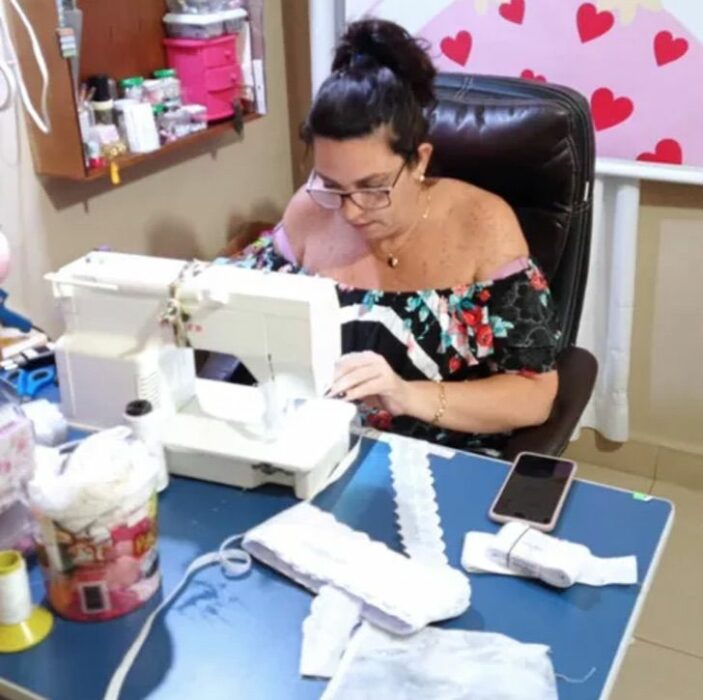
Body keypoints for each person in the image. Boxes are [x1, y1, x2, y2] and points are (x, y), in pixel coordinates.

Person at [233, 18, 561, 457]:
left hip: (442, 459)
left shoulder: (483, 226)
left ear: (419, 161)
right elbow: (250, 311)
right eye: (331, 184)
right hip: (314, 448)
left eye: (373, 187)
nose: (350, 210)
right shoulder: (308, 212)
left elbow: (535, 394)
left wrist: (408, 395)